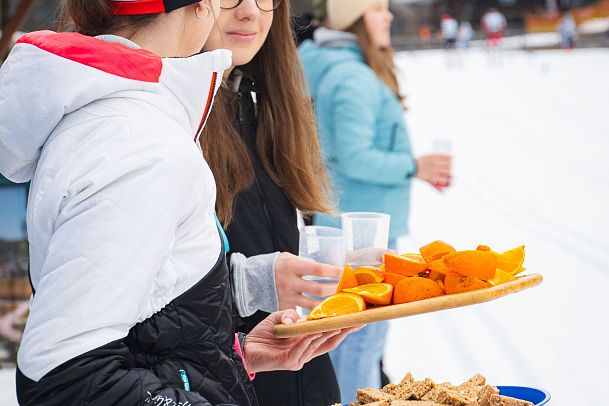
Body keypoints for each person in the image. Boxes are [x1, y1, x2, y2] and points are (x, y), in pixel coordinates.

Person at [0, 0, 354, 404]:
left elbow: (141, 321)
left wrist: (228, 357)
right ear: (203, 7)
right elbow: (66, 377)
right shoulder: (139, 146)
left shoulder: (137, 126)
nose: (249, 11)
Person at [200, 0, 362, 404]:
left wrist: (338, 270)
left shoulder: (267, 100)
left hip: (302, 370)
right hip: (218, 380)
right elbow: (151, 290)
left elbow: (275, 243)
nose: (251, 12)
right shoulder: (173, 116)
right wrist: (250, 285)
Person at [299, 0, 452, 402]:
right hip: (361, 233)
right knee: (361, 344)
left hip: (339, 223)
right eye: (378, 9)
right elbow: (354, 157)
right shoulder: (352, 77)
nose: (388, 16)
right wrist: (413, 166)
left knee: (341, 340)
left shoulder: (324, 64)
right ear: (355, 19)